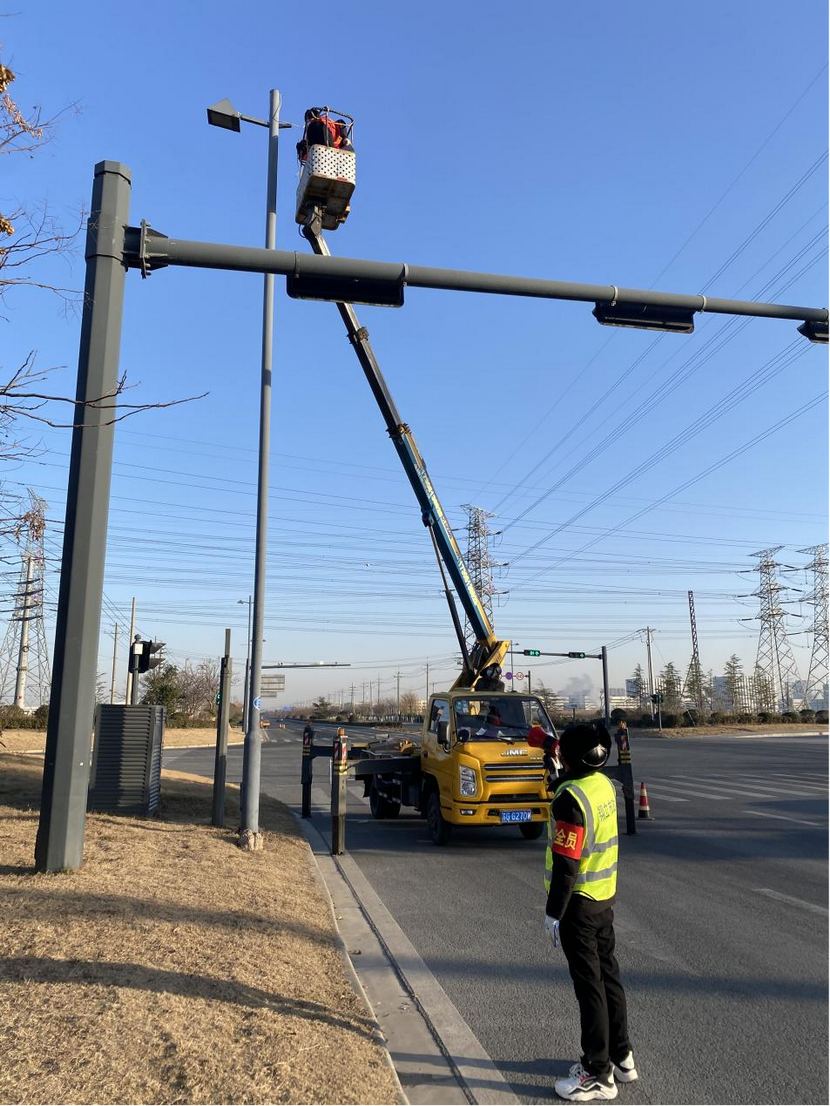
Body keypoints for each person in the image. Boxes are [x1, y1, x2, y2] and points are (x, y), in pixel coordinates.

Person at [542, 722, 636, 1103]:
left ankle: (598, 1073)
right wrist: (558, 769)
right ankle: (622, 1056)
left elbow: (566, 865)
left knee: (589, 988)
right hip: (604, 899)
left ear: (569, 758)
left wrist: (554, 913)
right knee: (609, 978)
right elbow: (574, 783)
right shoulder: (603, 785)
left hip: (578, 906)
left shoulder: (570, 800)